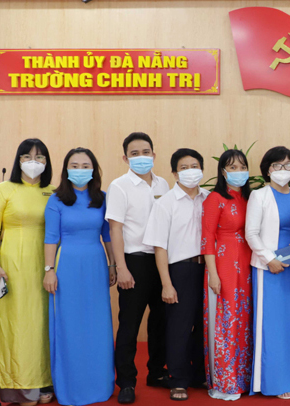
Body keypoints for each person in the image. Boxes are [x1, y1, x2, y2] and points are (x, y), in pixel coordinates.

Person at [43, 148, 116, 406]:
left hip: (96, 264)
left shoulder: (102, 198)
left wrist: (113, 264)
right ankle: (71, 385)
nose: (81, 169)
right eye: (75, 165)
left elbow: (107, 235)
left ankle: (99, 383)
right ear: (66, 169)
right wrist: (49, 270)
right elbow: (51, 238)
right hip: (67, 266)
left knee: (98, 324)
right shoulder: (56, 200)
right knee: (69, 325)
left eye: (86, 165)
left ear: (94, 169)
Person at [106, 132, 171, 404]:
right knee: (129, 326)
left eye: (146, 152)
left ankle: (156, 372)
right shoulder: (119, 186)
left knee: (161, 322)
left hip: (162, 261)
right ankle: (127, 382)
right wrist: (121, 267)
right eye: (134, 153)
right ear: (125, 158)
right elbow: (115, 229)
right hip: (134, 261)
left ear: (154, 155)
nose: (141, 157)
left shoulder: (164, 184)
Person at [0, 138, 55, 406]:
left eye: (40, 157)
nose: (34, 162)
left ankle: (42, 382)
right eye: (27, 156)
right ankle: (19, 388)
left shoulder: (53, 191)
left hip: (45, 265)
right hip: (12, 264)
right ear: (18, 160)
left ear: (47, 162)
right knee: (16, 324)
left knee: (42, 324)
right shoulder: (5, 189)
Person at [246, 146, 290, 399]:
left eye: (287, 165)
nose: (282, 170)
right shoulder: (259, 196)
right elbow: (251, 233)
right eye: (276, 166)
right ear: (267, 170)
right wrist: (270, 259)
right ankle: (276, 381)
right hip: (270, 269)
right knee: (273, 325)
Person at [142, 149, 209, 401]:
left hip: (208, 269)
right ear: (174, 173)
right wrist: (166, 284)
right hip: (179, 270)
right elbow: (160, 247)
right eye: (184, 167)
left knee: (204, 325)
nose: (190, 171)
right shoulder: (165, 203)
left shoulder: (210, 198)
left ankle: (199, 374)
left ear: (202, 170)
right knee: (179, 327)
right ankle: (178, 379)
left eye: (195, 165)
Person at [202, 149, 254, 400]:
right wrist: (212, 273)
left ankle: (244, 378)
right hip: (222, 264)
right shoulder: (215, 199)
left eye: (242, 166)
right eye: (232, 167)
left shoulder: (249, 197)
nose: (238, 172)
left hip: (247, 264)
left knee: (244, 320)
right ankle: (224, 381)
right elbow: (207, 238)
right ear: (222, 171)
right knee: (225, 321)